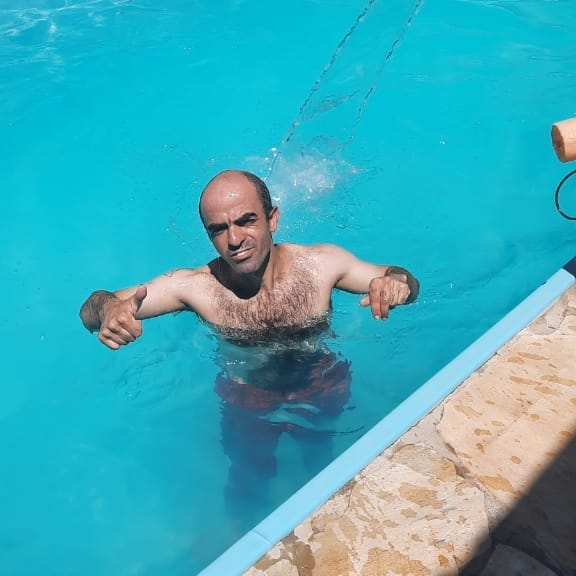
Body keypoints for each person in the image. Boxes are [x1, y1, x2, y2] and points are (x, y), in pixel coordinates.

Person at [79, 169, 419, 522]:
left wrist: (396, 285)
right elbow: (91, 311)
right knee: (246, 483)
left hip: (320, 384)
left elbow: (401, 278)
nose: (234, 239)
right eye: (219, 229)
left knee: (323, 465)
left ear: (273, 219)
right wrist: (108, 309)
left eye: (246, 221)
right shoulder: (196, 287)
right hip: (249, 398)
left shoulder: (321, 265)